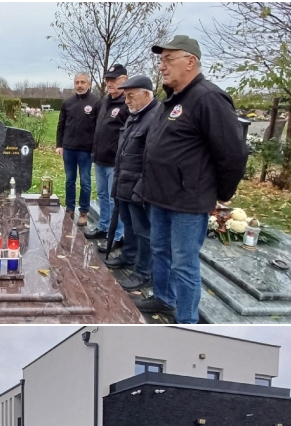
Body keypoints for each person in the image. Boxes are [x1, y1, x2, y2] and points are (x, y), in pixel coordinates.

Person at [138, 35, 248, 324]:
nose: (162, 66)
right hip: (160, 196)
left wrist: (222, 192)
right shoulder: (172, 100)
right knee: (159, 250)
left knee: (184, 264)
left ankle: (186, 320)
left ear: (191, 61)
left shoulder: (209, 98)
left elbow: (232, 153)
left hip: (188, 201)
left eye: (168, 59)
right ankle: (163, 298)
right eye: (161, 60)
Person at [111, 75, 161, 293]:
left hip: (139, 187)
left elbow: (152, 159)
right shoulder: (135, 116)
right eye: (125, 97)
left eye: (131, 96)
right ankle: (128, 257)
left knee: (143, 231)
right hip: (125, 182)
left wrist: (140, 188)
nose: (127, 101)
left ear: (147, 95)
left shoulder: (154, 118)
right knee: (129, 224)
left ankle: (143, 272)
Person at [87, 64, 129, 250]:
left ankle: (117, 235)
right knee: (102, 196)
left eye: (114, 80)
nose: (110, 83)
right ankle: (104, 227)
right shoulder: (105, 102)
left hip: (115, 161)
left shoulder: (126, 104)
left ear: (124, 80)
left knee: (114, 200)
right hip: (100, 158)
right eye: (108, 80)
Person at [56, 73, 99, 227]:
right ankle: (69, 209)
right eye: (77, 82)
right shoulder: (67, 103)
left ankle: (84, 212)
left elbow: (99, 128)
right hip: (69, 149)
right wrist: (59, 145)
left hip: (86, 151)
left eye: (82, 82)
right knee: (69, 180)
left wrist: (95, 148)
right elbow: (61, 125)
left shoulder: (96, 102)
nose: (79, 85)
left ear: (89, 84)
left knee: (86, 182)